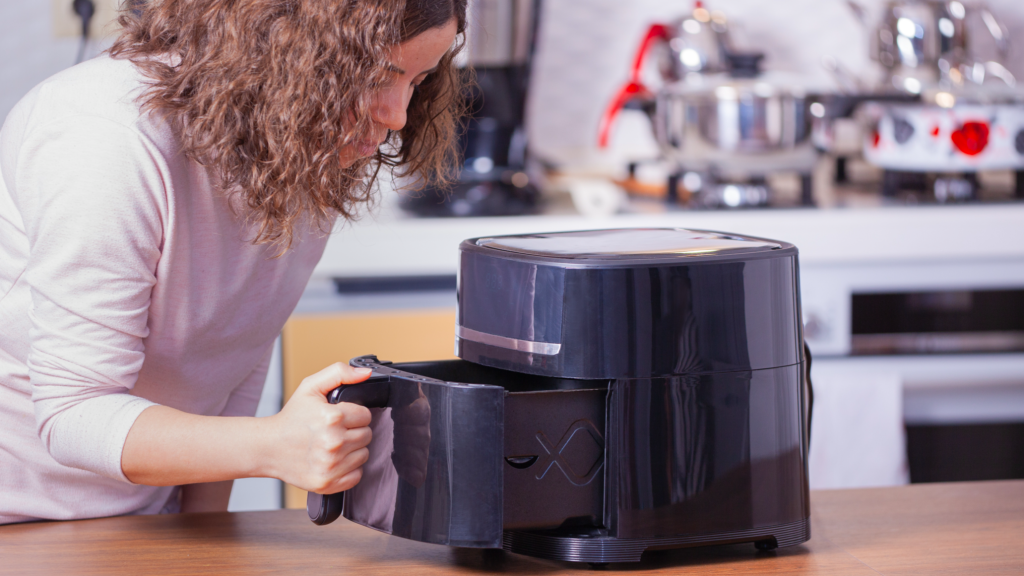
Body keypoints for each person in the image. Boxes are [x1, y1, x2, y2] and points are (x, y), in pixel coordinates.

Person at [0, 0, 466, 524]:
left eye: (417, 80)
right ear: (284, 41)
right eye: (376, 76)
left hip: (146, 521)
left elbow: (231, 360)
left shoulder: (298, 145)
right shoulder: (104, 135)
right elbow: (72, 414)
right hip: (17, 522)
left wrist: (204, 531)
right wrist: (274, 446)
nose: (397, 115)